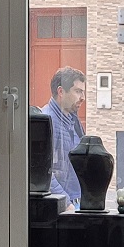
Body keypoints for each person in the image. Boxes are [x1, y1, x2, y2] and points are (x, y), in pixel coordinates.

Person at [44, 66, 86, 203]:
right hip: (63, 205)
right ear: (61, 91)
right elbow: (44, 171)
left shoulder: (72, 119)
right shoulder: (48, 122)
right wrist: (66, 203)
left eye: (83, 92)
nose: (83, 98)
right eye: (78, 91)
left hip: (76, 201)